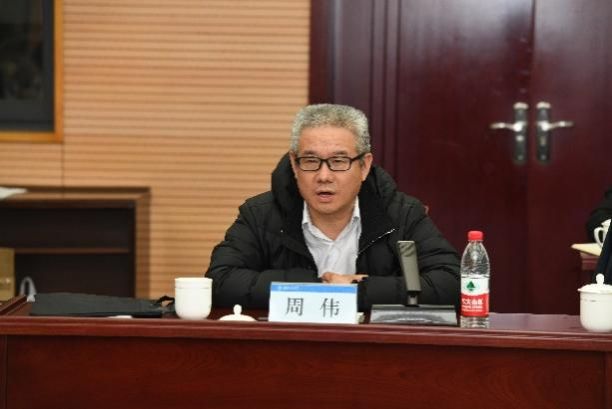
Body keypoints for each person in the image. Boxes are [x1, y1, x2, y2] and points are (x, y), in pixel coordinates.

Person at [206, 104, 459, 310]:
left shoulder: (401, 214)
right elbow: (220, 282)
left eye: (339, 161)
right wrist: (317, 287)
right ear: (294, 165)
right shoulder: (261, 214)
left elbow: (452, 282)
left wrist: (358, 290)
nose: (324, 176)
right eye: (310, 161)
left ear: (364, 166)